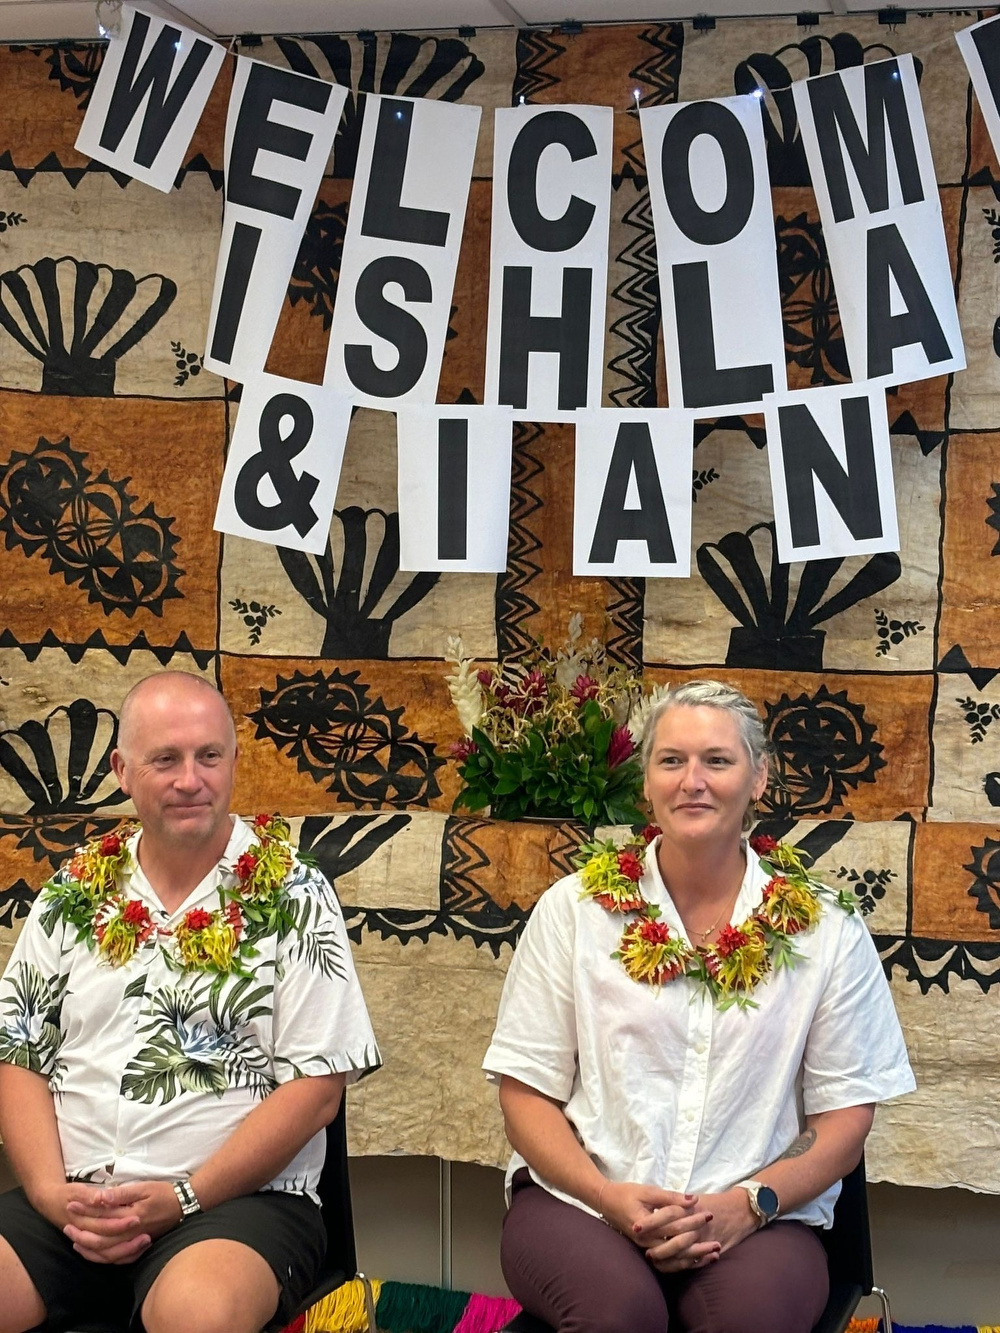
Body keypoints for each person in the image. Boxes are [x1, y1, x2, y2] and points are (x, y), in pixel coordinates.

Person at [483, 679, 915, 1333]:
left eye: (717, 760)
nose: (694, 780)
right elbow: (525, 1095)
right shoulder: (573, 910)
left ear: (759, 777)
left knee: (744, 1319)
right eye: (672, 760)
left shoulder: (826, 927)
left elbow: (845, 1117)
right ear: (645, 782)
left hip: (761, 1219)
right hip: (580, 1202)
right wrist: (607, 1197)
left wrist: (749, 1201)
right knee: (619, 1315)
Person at [0, 671, 380, 1333]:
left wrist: (181, 1197)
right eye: (166, 759)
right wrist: (47, 1194)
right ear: (122, 769)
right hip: (71, 1204)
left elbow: (319, 1089)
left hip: (231, 1206)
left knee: (194, 1316)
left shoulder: (294, 893)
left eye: (208, 756)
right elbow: (18, 1054)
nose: (190, 779)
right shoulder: (71, 890)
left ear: (234, 760)